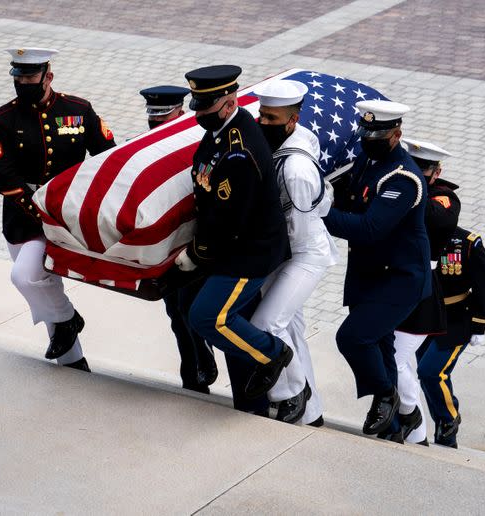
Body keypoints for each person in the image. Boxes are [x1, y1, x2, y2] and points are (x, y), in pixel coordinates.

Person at [0, 48, 116, 371]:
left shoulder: (78, 111)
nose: (23, 82)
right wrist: (39, 210)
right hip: (21, 218)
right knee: (45, 285)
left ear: (48, 76)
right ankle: (74, 361)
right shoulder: (1, 120)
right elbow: (3, 178)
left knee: (26, 276)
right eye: (19, 76)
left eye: (30, 77)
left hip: (62, 220)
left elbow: (107, 159)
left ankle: (69, 318)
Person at [175, 65, 292, 411]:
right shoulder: (222, 131)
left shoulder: (240, 149)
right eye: (196, 106)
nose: (198, 114)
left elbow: (228, 220)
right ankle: (209, 367)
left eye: (205, 107)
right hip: (228, 242)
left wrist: (196, 253)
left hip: (249, 252)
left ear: (229, 103)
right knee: (184, 304)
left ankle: (271, 354)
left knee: (207, 317)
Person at [322, 100, 431, 439]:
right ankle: (400, 422)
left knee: (353, 337)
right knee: (381, 348)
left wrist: (320, 210)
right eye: (365, 131)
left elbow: (369, 228)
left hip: (398, 279)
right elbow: (348, 198)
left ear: (396, 135)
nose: (369, 138)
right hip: (368, 274)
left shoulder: (404, 178)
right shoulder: (367, 162)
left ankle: (385, 397)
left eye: (378, 133)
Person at [249, 79, 339, 426]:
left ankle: (291, 393)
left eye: (271, 118)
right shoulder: (291, 142)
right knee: (291, 329)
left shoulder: (296, 168)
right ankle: (311, 413)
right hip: (289, 250)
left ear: (292, 120)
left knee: (268, 323)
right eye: (261, 115)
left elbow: (297, 233)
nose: (263, 122)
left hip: (301, 255)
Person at [138, 85, 218, 393]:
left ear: (180, 113)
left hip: (198, 242)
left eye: (163, 116)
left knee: (194, 308)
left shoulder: (197, 141)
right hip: (165, 246)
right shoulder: (143, 147)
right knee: (176, 311)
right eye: (152, 117)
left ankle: (204, 357)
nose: (156, 123)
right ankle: (193, 374)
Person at [391, 137, 461, 445]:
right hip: (395, 283)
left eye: (422, 171)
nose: (415, 174)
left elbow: (438, 220)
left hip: (422, 290)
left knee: (394, 360)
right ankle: (414, 433)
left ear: (436, 172)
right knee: (398, 361)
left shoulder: (443, 197)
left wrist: (412, 188)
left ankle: (412, 423)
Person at [417, 226, 485, 448]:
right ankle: (444, 429)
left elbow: (483, 286)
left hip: (456, 319)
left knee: (430, 372)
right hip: (427, 317)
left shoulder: (467, 243)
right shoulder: (418, 233)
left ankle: (449, 418)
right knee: (429, 375)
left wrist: (479, 325)